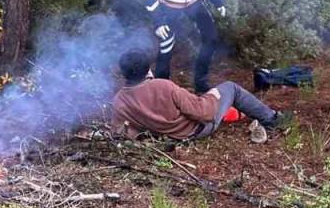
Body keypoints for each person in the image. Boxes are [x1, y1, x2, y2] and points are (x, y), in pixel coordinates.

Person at [110, 49, 292, 142]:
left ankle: (261, 117)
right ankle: (274, 119)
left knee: (207, 96)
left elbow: (123, 133)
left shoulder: (120, 100)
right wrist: (212, 96)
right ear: (147, 68)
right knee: (230, 88)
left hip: (165, 138)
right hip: (195, 130)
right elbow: (204, 113)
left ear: (124, 73)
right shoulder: (163, 86)